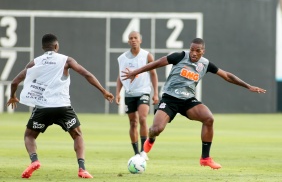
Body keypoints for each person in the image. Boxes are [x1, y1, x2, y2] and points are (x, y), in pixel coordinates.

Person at [121, 38, 266, 169]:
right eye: (192, 50)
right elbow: (157, 63)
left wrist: (248, 86)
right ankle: (150, 140)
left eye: (198, 51)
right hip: (170, 98)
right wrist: (136, 72)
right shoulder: (179, 56)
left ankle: (205, 158)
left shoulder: (205, 64)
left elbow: (227, 75)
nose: (194, 53)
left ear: (203, 51)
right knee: (157, 129)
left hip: (187, 100)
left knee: (208, 118)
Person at [6, 33, 114, 179]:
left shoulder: (34, 62)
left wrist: (13, 96)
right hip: (63, 107)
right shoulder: (66, 60)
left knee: (29, 136)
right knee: (78, 135)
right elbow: (86, 74)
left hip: (42, 108)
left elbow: (14, 82)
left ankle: (34, 160)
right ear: (56, 46)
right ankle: (82, 169)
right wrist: (103, 91)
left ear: (43, 47)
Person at [116, 31, 159, 160]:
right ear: (128, 41)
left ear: (140, 40)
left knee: (142, 118)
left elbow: (153, 74)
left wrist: (155, 92)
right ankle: (136, 153)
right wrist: (118, 92)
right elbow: (120, 76)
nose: (133, 40)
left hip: (143, 91)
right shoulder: (122, 58)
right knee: (133, 122)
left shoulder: (147, 56)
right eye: (131, 38)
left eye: (135, 38)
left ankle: (143, 151)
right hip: (129, 93)